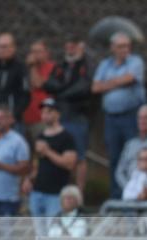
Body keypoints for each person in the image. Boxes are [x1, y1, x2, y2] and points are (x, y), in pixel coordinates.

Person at [93, 33, 146, 198]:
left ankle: (133, 192)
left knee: (132, 155)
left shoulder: (136, 62)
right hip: (111, 118)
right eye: (121, 46)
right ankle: (116, 196)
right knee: (114, 157)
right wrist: (118, 81)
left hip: (130, 116)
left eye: (127, 46)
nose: (125, 50)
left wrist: (107, 84)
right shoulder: (104, 64)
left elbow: (130, 78)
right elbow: (95, 88)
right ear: (112, 48)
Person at [43, 36, 91, 190]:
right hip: (60, 116)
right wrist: (65, 88)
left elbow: (83, 87)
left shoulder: (87, 65)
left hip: (77, 115)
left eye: (74, 46)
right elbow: (49, 84)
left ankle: (79, 193)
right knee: (58, 154)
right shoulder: (60, 66)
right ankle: (60, 189)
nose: (71, 49)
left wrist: (62, 91)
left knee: (79, 156)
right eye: (68, 46)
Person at [22, 98, 77, 228]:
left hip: (55, 193)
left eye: (49, 112)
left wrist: (48, 151)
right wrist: (29, 179)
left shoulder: (66, 137)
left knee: (52, 231)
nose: (45, 115)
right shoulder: (41, 136)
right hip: (37, 191)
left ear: (58, 114)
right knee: (39, 234)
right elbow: (37, 163)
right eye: (43, 112)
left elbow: (70, 163)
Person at [0, 33, 30, 123]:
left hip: (12, 120)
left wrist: (14, 114)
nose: (1, 50)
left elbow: (25, 96)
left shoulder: (20, 68)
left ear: (13, 48)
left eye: (4, 46)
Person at [23, 40, 55, 138]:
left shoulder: (53, 67)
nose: (34, 55)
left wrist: (33, 66)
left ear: (47, 53)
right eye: (32, 52)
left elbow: (38, 83)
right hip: (25, 118)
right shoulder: (25, 69)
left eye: (38, 52)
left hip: (42, 119)